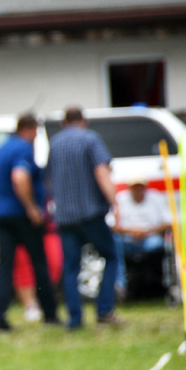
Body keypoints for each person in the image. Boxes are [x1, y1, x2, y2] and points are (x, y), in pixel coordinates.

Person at [47, 107, 121, 329]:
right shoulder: (90, 139)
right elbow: (101, 172)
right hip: (90, 214)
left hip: (65, 217)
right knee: (111, 256)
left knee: (71, 267)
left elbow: (49, 179)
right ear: (83, 121)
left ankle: (74, 319)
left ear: (64, 123)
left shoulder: (55, 143)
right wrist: (115, 203)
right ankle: (105, 309)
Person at [0, 114, 60, 329]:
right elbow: (20, 177)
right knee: (39, 263)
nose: (36, 136)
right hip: (22, 215)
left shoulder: (1, 149)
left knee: (5, 266)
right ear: (28, 129)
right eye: (36, 131)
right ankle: (50, 314)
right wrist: (32, 208)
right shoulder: (23, 148)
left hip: (2, 214)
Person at [112, 176, 172, 296]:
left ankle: (161, 283)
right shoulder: (120, 199)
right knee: (114, 243)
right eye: (135, 187)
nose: (138, 190)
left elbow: (169, 222)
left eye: (140, 187)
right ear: (129, 188)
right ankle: (120, 285)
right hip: (128, 239)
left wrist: (147, 231)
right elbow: (111, 224)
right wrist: (132, 231)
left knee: (155, 243)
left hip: (150, 238)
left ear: (145, 187)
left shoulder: (155, 197)